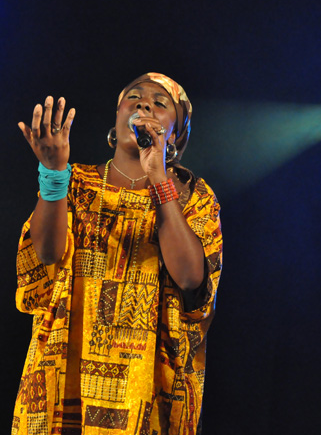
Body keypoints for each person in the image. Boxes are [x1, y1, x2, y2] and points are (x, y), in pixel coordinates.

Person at [13, 73, 223, 434]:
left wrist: (159, 178)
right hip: (65, 380)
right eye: (134, 97)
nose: (144, 104)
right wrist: (52, 172)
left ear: (177, 132)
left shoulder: (193, 196)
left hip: (150, 393)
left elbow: (191, 278)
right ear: (117, 114)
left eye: (160, 102)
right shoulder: (75, 182)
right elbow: (46, 255)